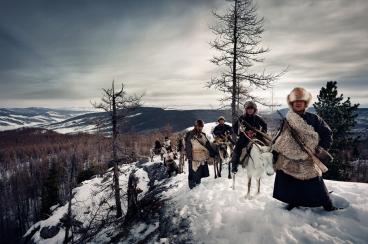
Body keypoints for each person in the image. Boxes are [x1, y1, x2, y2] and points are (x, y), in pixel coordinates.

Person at [272, 87, 338, 211]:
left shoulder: (314, 119)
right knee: (289, 179)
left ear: (305, 103)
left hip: (309, 156)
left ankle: (327, 204)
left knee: (315, 180)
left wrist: (321, 148)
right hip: (289, 156)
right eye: (295, 101)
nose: (298, 103)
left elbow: (327, 134)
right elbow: (281, 137)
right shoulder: (287, 120)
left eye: (301, 101)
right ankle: (293, 202)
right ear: (292, 103)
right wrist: (275, 150)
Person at [231, 101, 268, 173]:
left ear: (254, 110)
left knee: (267, 146)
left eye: (252, 108)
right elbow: (234, 127)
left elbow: (264, 125)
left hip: (256, 137)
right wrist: (240, 131)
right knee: (237, 148)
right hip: (244, 137)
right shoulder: (241, 118)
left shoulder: (258, 118)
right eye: (248, 108)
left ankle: (268, 163)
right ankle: (234, 165)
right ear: (246, 109)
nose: (250, 110)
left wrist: (261, 133)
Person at [185, 119, 217, 189]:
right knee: (193, 172)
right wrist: (190, 157)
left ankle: (198, 186)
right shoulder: (190, 135)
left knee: (199, 173)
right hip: (193, 156)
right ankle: (191, 188)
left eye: (201, 126)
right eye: (199, 126)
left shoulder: (203, 135)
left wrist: (213, 153)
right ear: (195, 126)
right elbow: (188, 146)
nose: (200, 128)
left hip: (201, 157)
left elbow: (208, 145)